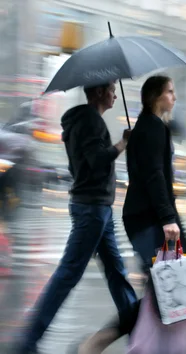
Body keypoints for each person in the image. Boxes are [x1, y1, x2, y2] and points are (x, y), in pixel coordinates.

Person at [69, 75, 186, 353]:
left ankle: (113, 342)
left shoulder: (149, 127)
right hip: (150, 217)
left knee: (175, 282)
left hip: (149, 216)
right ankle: (101, 342)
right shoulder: (152, 128)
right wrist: (167, 219)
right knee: (171, 283)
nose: (174, 98)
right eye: (169, 92)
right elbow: (154, 177)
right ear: (155, 96)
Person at [17, 82, 137, 354]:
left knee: (117, 273)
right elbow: (96, 160)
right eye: (111, 90)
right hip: (92, 209)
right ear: (98, 93)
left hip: (98, 208)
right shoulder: (90, 121)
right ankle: (27, 342)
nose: (115, 94)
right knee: (68, 274)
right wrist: (122, 144)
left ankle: (138, 331)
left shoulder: (85, 121)